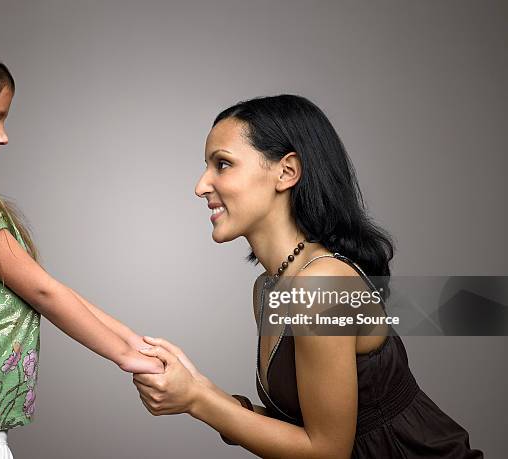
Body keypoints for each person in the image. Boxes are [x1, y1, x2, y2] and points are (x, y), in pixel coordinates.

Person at [133, 95, 484, 458]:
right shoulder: (269, 288)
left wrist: (198, 400)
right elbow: (308, 424)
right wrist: (201, 390)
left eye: (222, 164)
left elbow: (326, 451)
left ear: (286, 172)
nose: (201, 185)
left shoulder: (320, 286)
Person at [0, 35, 162, 458]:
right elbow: (44, 292)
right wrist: (127, 357)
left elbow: (45, 287)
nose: (4, 137)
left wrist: (135, 342)